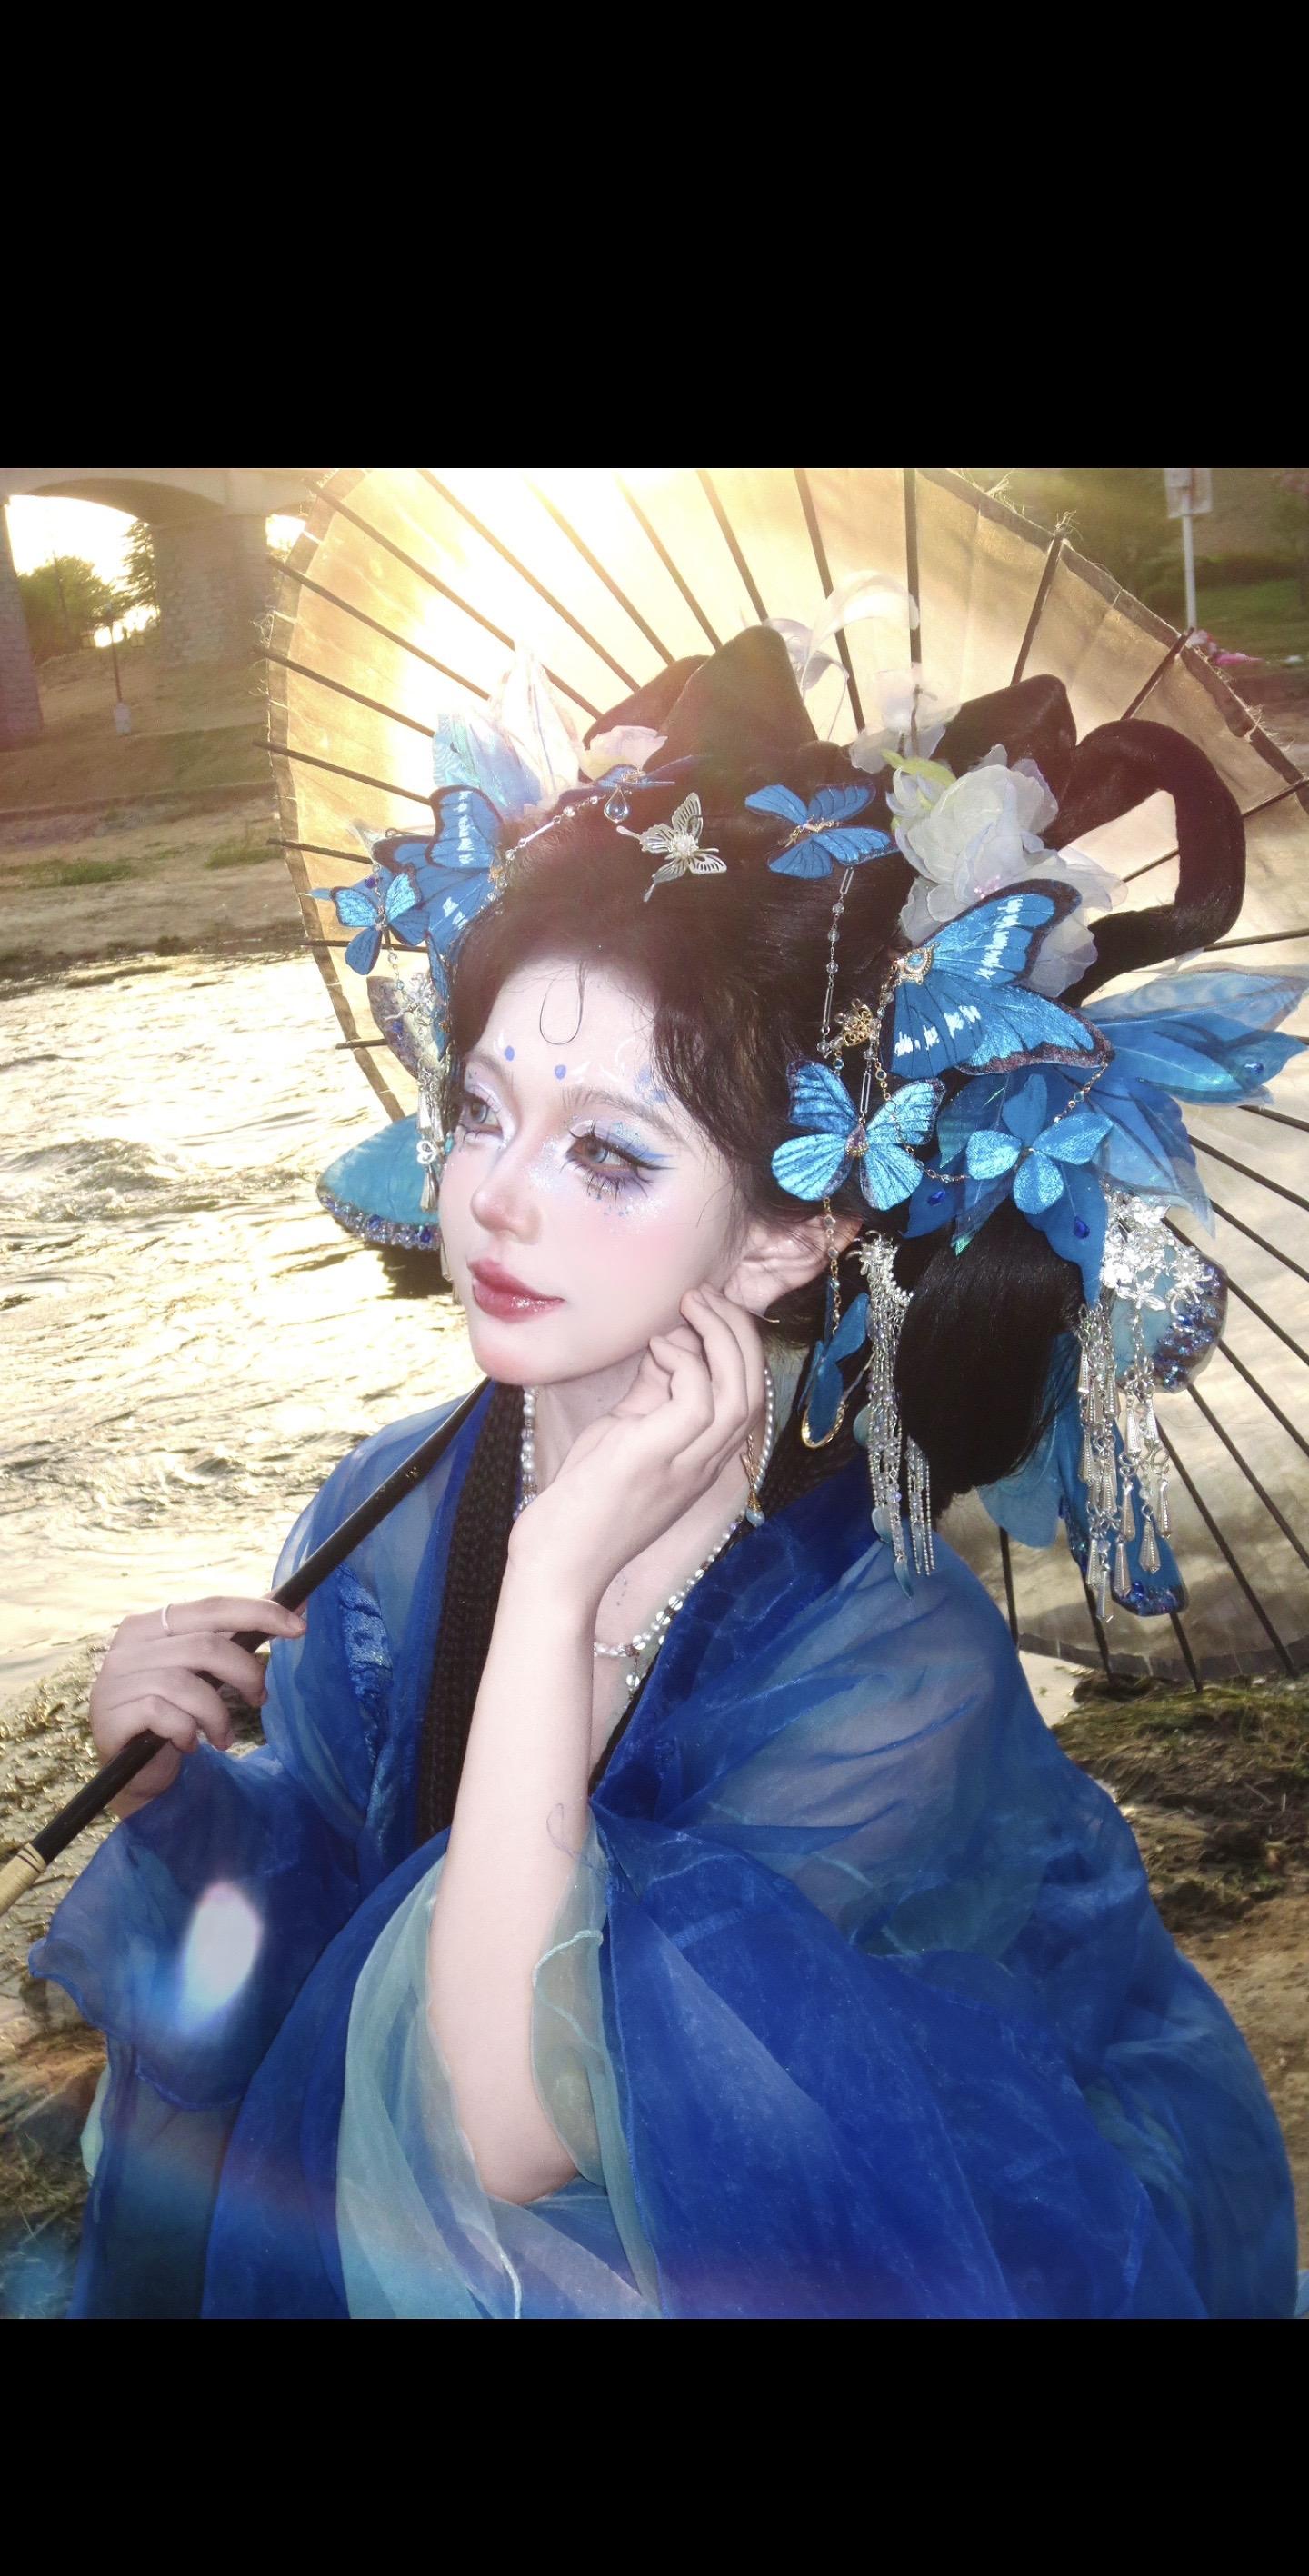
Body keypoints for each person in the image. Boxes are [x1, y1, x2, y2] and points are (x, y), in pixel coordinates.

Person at [32, 627, 1304, 2319]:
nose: (497, 1199)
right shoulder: (384, 1510)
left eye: (610, 1153)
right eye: (482, 1110)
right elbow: (346, 1890)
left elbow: (516, 2121)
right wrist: (176, 1789)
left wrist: (557, 1581)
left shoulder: (890, 1658)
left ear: (794, 1231)